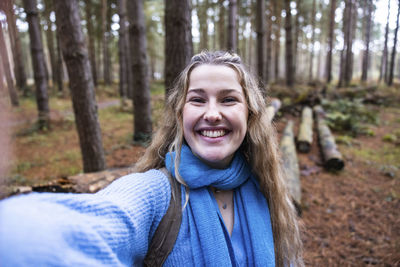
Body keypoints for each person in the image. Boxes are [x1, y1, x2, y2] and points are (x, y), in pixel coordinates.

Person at [0, 51, 303, 266]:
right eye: (197, 99)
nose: (212, 114)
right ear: (180, 113)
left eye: (228, 99)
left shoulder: (264, 188)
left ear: (250, 114)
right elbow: (89, 226)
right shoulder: (156, 194)